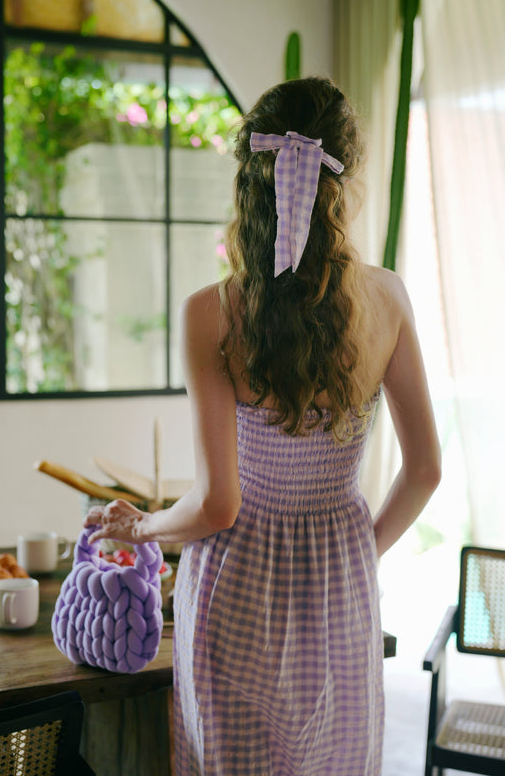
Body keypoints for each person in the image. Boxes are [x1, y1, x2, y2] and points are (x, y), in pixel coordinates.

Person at [84, 77, 441, 776]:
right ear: (349, 178)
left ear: (250, 177)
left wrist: (144, 525)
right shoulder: (389, 298)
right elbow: (425, 469)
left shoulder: (210, 313)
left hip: (235, 589)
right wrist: (354, 555)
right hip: (338, 588)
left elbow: (219, 504)